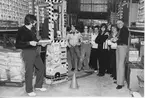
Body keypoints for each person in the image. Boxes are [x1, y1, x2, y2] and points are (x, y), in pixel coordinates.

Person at [15, 14, 47, 96]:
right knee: (29, 71)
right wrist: (29, 43)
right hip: (27, 52)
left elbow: (35, 40)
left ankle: (38, 86)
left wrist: (41, 43)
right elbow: (17, 44)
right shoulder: (21, 30)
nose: (35, 22)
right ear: (31, 21)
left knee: (41, 67)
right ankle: (29, 90)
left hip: (35, 51)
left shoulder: (32, 29)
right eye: (34, 21)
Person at [115, 19, 129, 89]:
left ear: (123, 23)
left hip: (122, 47)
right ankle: (119, 80)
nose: (118, 24)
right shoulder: (121, 29)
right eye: (117, 24)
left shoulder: (125, 29)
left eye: (120, 23)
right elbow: (119, 38)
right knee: (118, 64)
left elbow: (123, 39)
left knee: (120, 65)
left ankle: (120, 83)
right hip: (119, 47)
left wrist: (116, 39)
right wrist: (116, 39)